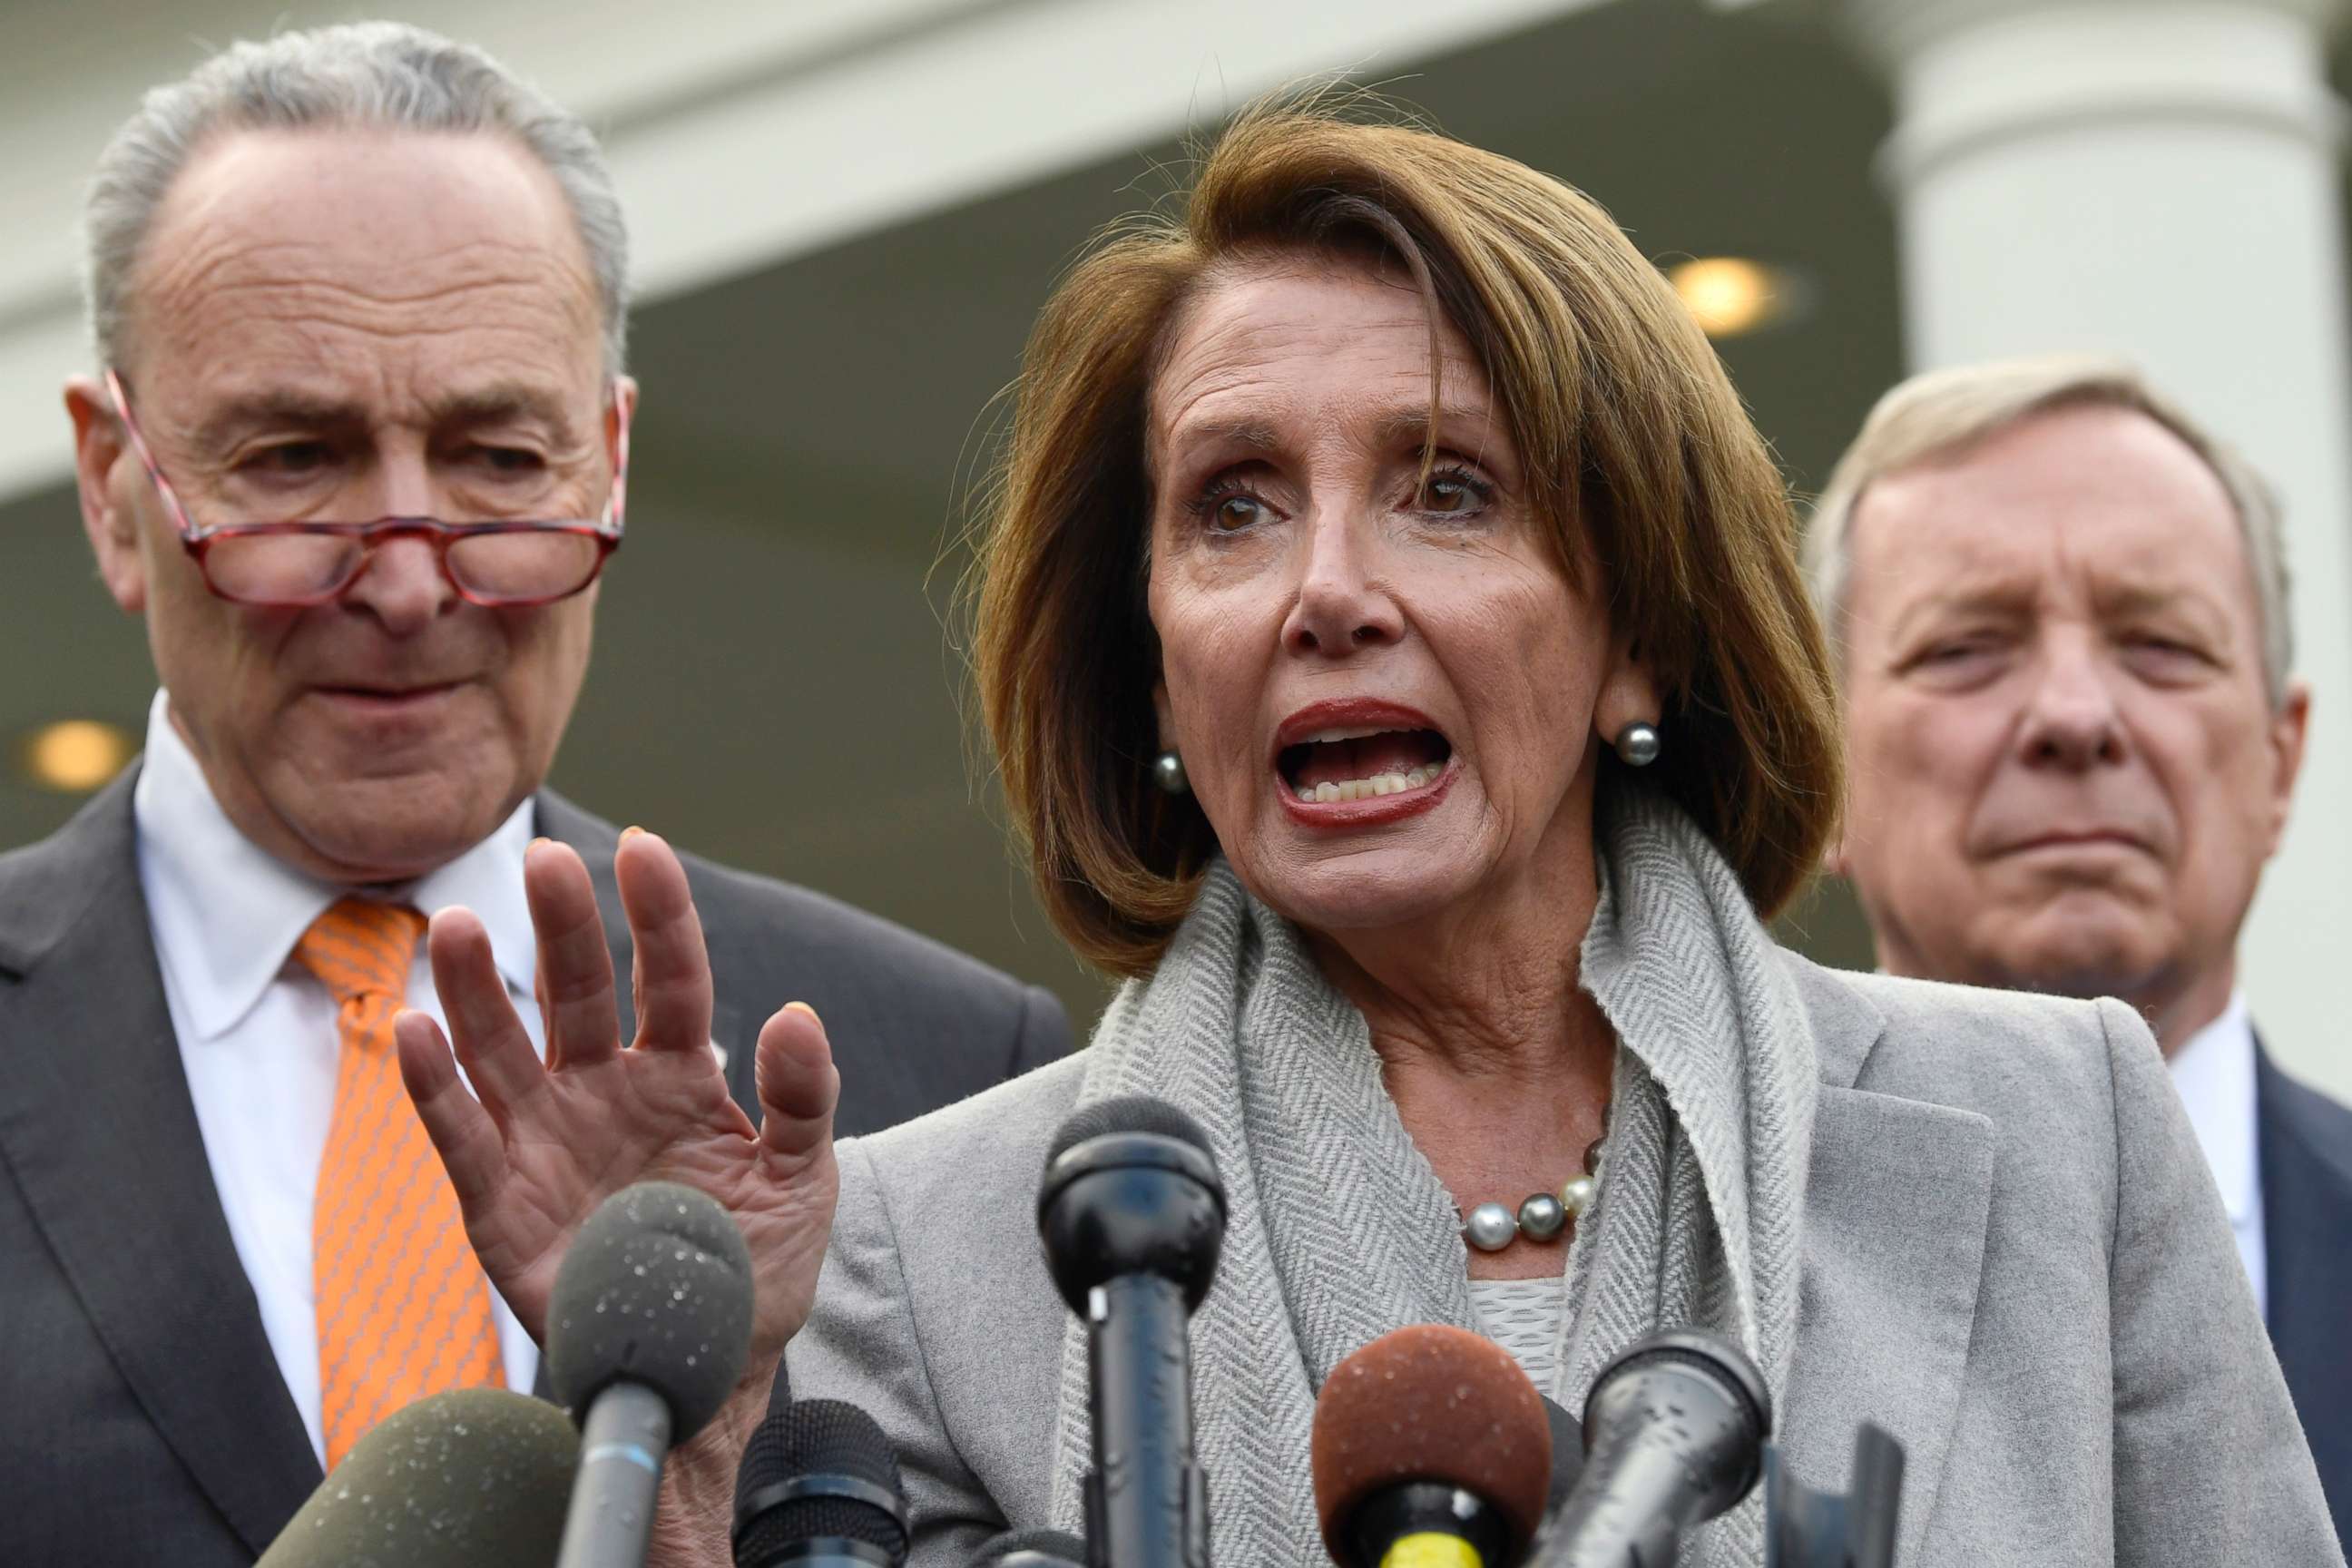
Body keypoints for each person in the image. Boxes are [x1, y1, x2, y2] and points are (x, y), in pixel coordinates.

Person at [415, 104, 2342, 1565]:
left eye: (1446, 491)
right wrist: (701, 1438)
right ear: (1158, 668)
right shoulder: (923, 1252)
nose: (1323, 591)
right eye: (1234, 507)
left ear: (1639, 631)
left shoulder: (2065, 1130)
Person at [0, 24, 1066, 1567]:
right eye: (296, 459)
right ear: (112, 485)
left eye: (500, 457)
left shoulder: (949, 1074)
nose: (414, 578)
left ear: (610, 458)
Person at [1802, 357, 2352, 1544]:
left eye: (2160, 645)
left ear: (2282, 762)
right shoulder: (1689, 1271)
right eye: (1965, 648)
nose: (2073, 716)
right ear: (1821, 768)